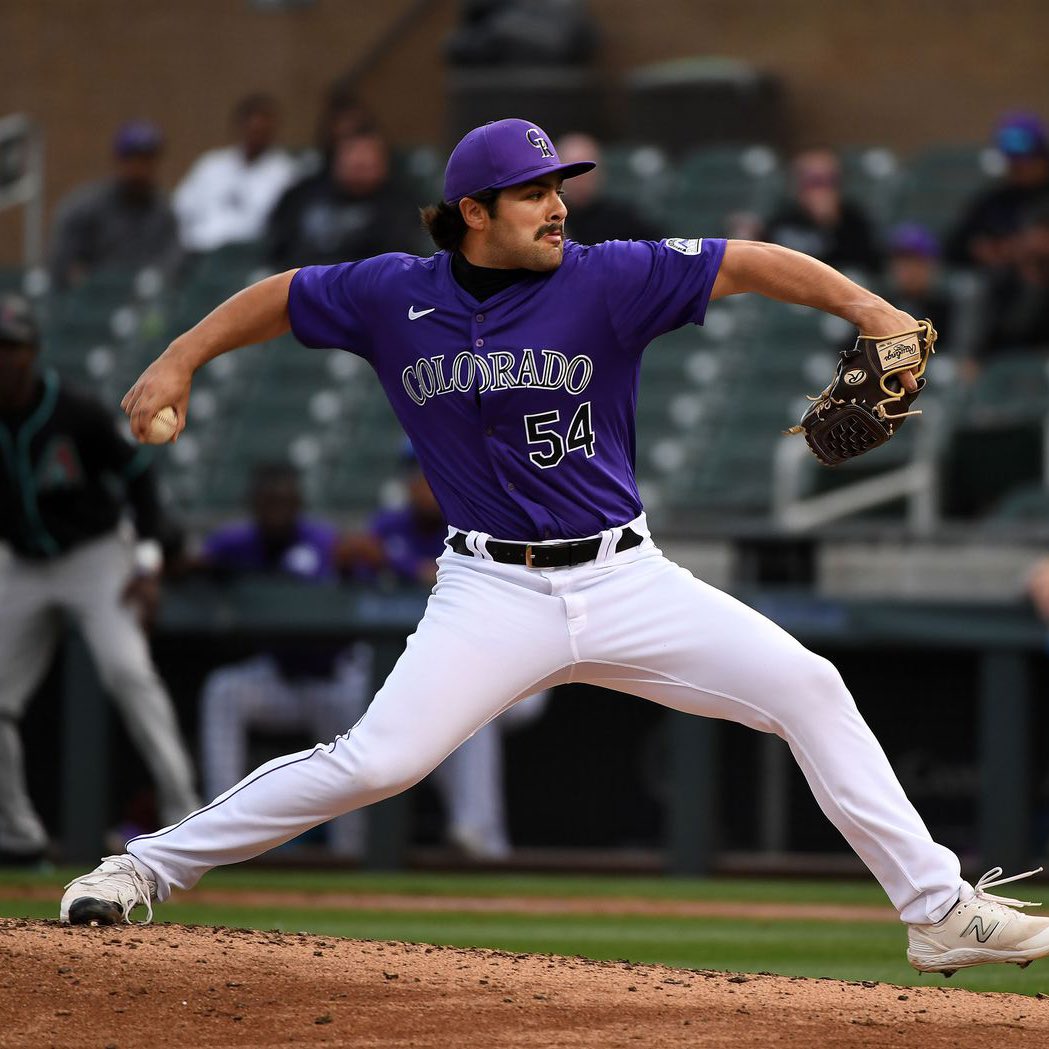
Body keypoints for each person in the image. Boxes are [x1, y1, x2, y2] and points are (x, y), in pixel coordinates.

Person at [62, 118, 1049, 978]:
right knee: (375, 762)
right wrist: (177, 357)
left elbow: (745, 261)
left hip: (626, 576)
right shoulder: (388, 294)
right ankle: (141, 866)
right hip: (489, 588)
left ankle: (935, 910)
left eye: (558, 188)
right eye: (532, 192)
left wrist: (870, 310)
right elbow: (280, 292)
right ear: (471, 210)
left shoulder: (608, 277)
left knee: (808, 686)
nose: (556, 207)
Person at [0, 293, 199, 862]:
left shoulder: (75, 412)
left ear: (33, 354)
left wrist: (148, 562)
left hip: (95, 557)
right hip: (20, 563)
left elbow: (140, 481)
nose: (4, 360)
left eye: (12, 348)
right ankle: (17, 838)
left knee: (129, 674)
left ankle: (184, 818)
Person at [343, 453, 548, 859]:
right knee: (448, 708)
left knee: (472, 706)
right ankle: (475, 839)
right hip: (433, 669)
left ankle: (478, 834)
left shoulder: (481, 515)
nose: (423, 482)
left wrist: (394, 564)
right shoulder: (388, 526)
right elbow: (354, 573)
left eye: (430, 471)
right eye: (415, 474)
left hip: (516, 667)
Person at [194, 462, 371, 858]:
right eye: (269, 500)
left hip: (333, 676)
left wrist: (354, 565)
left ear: (299, 504)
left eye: (285, 500)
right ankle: (219, 834)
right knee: (223, 690)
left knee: (356, 748)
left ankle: (352, 853)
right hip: (280, 677)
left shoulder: (324, 541)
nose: (277, 507)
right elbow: (194, 565)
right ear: (254, 505)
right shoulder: (236, 542)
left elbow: (368, 582)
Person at [48, 121, 181, 290]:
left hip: (139, 303)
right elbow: (62, 262)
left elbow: (170, 264)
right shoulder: (85, 206)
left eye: (146, 160)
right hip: (89, 300)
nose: (139, 169)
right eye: (133, 159)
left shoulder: (163, 212)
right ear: (118, 161)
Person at [266, 130, 422, 269]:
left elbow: (395, 261)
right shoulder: (303, 194)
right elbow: (278, 246)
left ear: (384, 165)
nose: (358, 164)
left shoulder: (400, 205)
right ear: (335, 161)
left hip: (364, 290)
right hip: (299, 282)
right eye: (351, 158)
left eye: (366, 165)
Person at [172, 94, 299, 254]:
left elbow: (278, 228)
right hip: (199, 251)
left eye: (262, 131)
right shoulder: (212, 164)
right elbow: (181, 209)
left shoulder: (285, 173)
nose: (256, 137)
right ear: (241, 128)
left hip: (248, 255)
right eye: (252, 130)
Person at [947, 112, 1049, 269]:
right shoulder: (993, 201)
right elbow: (953, 247)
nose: (1016, 166)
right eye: (1011, 159)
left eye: (1024, 159)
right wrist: (982, 250)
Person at [760, 147, 881, 273]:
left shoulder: (857, 221)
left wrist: (830, 225)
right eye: (815, 181)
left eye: (830, 181)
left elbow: (870, 270)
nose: (823, 190)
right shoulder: (780, 222)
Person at [554, 133, 661, 245]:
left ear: (601, 172)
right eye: (573, 172)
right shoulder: (547, 219)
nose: (580, 178)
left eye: (587, 171)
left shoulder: (625, 220)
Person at [976, 205, 1049, 360]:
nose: (1041, 242)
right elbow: (989, 333)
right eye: (1038, 233)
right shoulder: (1001, 281)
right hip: (998, 362)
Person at [882, 223, 955, 350]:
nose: (910, 270)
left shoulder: (946, 302)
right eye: (903, 262)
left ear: (933, 266)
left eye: (917, 262)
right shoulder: (879, 301)